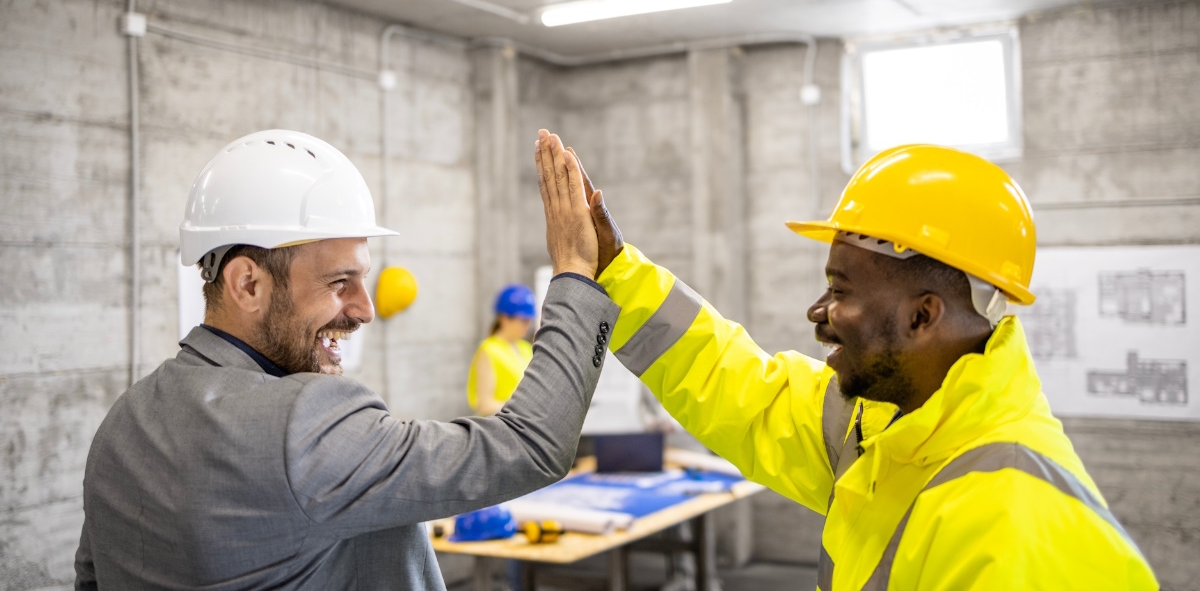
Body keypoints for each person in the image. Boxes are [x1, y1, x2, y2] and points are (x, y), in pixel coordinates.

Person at [541, 133, 1158, 590]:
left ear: (923, 316)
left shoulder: (1018, 525)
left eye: (840, 291)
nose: (817, 312)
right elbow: (737, 388)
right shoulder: (884, 424)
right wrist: (615, 271)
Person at [74, 129, 614, 590]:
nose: (365, 309)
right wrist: (575, 273)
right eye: (339, 282)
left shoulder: (123, 424)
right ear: (248, 283)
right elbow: (533, 446)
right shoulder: (303, 423)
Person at [468, 285, 536, 416]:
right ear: (504, 318)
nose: (527, 325)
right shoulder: (489, 350)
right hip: (499, 428)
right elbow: (485, 405)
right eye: (523, 320)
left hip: (521, 426)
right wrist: (523, 409)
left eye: (529, 320)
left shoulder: (526, 348)